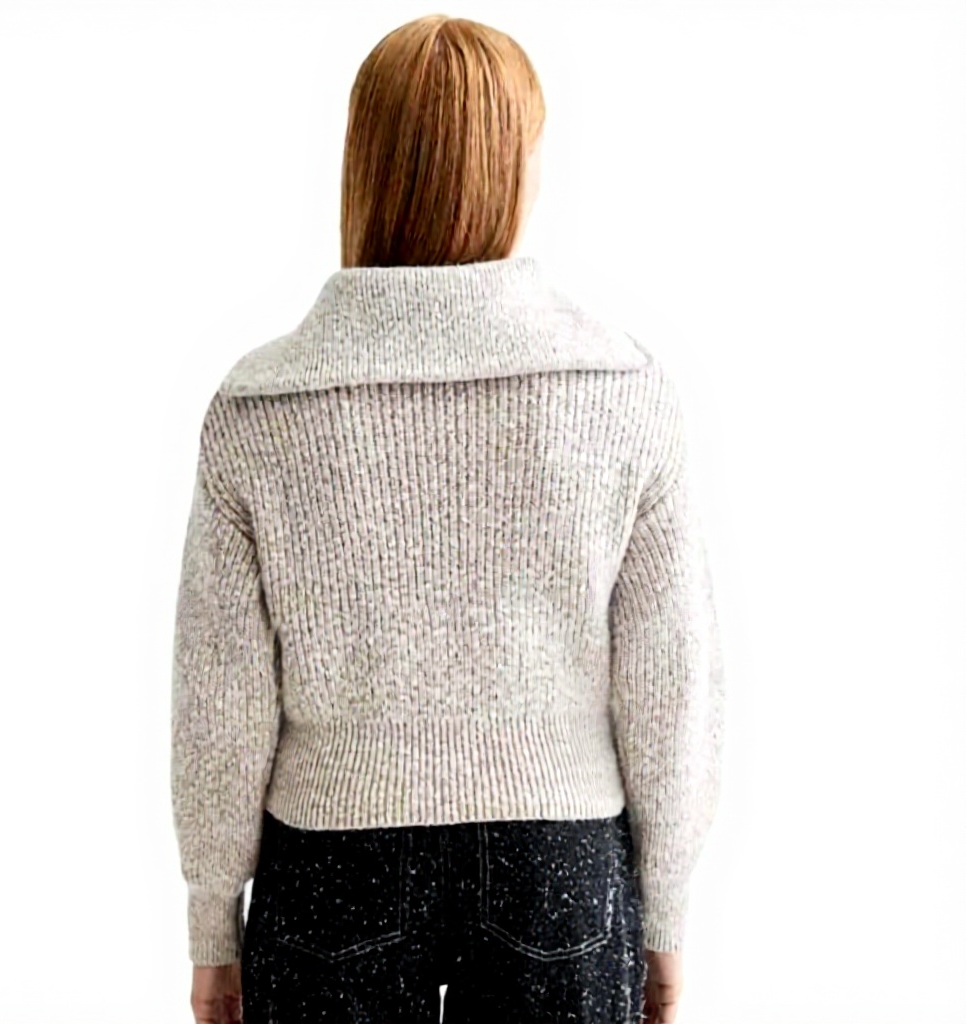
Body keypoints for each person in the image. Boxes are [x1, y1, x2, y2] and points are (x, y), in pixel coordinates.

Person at [170, 13, 725, 1024]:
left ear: (365, 166)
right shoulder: (621, 390)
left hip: (329, 864)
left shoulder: (260, 408)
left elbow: (220, 700)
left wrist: (213, 920)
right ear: (517, 169)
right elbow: (669, 687)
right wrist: (668, 910)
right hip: (559, 861)